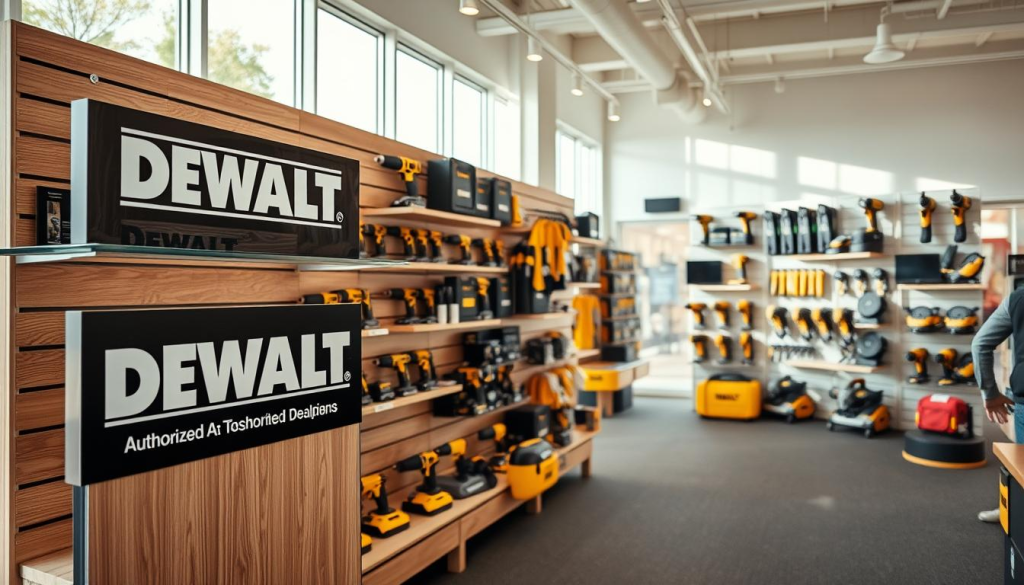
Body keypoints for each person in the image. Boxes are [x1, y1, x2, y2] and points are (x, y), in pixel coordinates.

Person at [972, 289, 1020, 522]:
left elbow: (980, 344)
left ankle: (1012, 512)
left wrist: (990, 395)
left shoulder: (1018, 298)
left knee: (1021, 465)